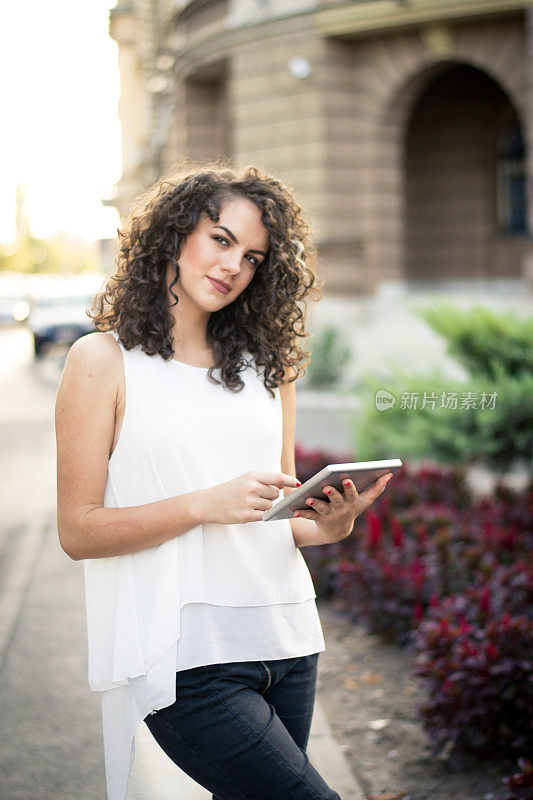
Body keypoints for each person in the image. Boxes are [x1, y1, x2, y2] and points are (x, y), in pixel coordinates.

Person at [55, 162, 393, 800]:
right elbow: (79, 531)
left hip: (286, 636)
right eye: (220, 239)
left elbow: (274, 518)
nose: (235, 264)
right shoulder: (100, 362)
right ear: (174, 236)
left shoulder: (267, 369)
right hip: (185, 658)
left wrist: (326, 525)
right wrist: (201, 504)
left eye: (255, 256)